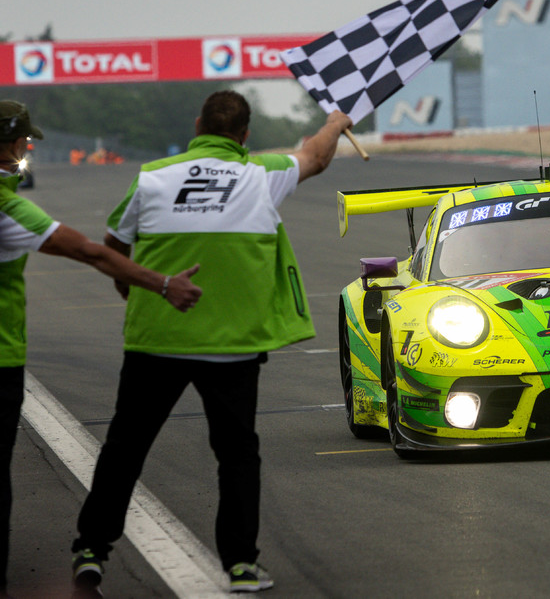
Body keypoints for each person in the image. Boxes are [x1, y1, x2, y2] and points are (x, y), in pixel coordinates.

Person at [71, 90, 352, 594]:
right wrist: (334, 121)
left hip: (156, 338)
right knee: (237, 455)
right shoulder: (262, 174)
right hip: (232, 346)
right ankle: (241, 565)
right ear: (244, 134)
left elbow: (113, 247)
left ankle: (92, 549)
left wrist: (134, 289)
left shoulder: (153, 175)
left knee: (125, 448)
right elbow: (316, 154)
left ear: (198, 124)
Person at [0, 99, 202, 597]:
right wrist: (160, 283)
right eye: (24, 140)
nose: (27, 148)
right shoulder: (8, 207)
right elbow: (89, 251)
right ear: (8, 144)